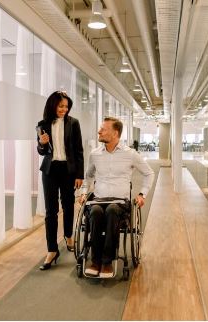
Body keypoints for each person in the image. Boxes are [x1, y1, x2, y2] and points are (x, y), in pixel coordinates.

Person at [80, 117, 154, 278]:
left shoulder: (130, 154)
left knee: (112, 211)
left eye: (103, 129)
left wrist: (142, 194)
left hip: (120, 203)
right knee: (95, 212)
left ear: (115, 133)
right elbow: (88, 176)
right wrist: (84, 193)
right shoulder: (95, 154)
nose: (99, 131)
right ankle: (95, 260)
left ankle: (107, 262)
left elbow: (149, 173)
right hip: (98, 200)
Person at [37, 91, 84, 270]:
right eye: (61, 106)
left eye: (66, 106)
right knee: (51, 211)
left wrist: (79, 175)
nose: (64, 109)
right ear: (53, 105)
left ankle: (69, 236)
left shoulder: (74, 123)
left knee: (68, 205)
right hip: (49, 170)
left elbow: (79, 150)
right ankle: (51, 250)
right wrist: (41, 143)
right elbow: (41, 151)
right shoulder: (42, 124)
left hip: (68, 170)